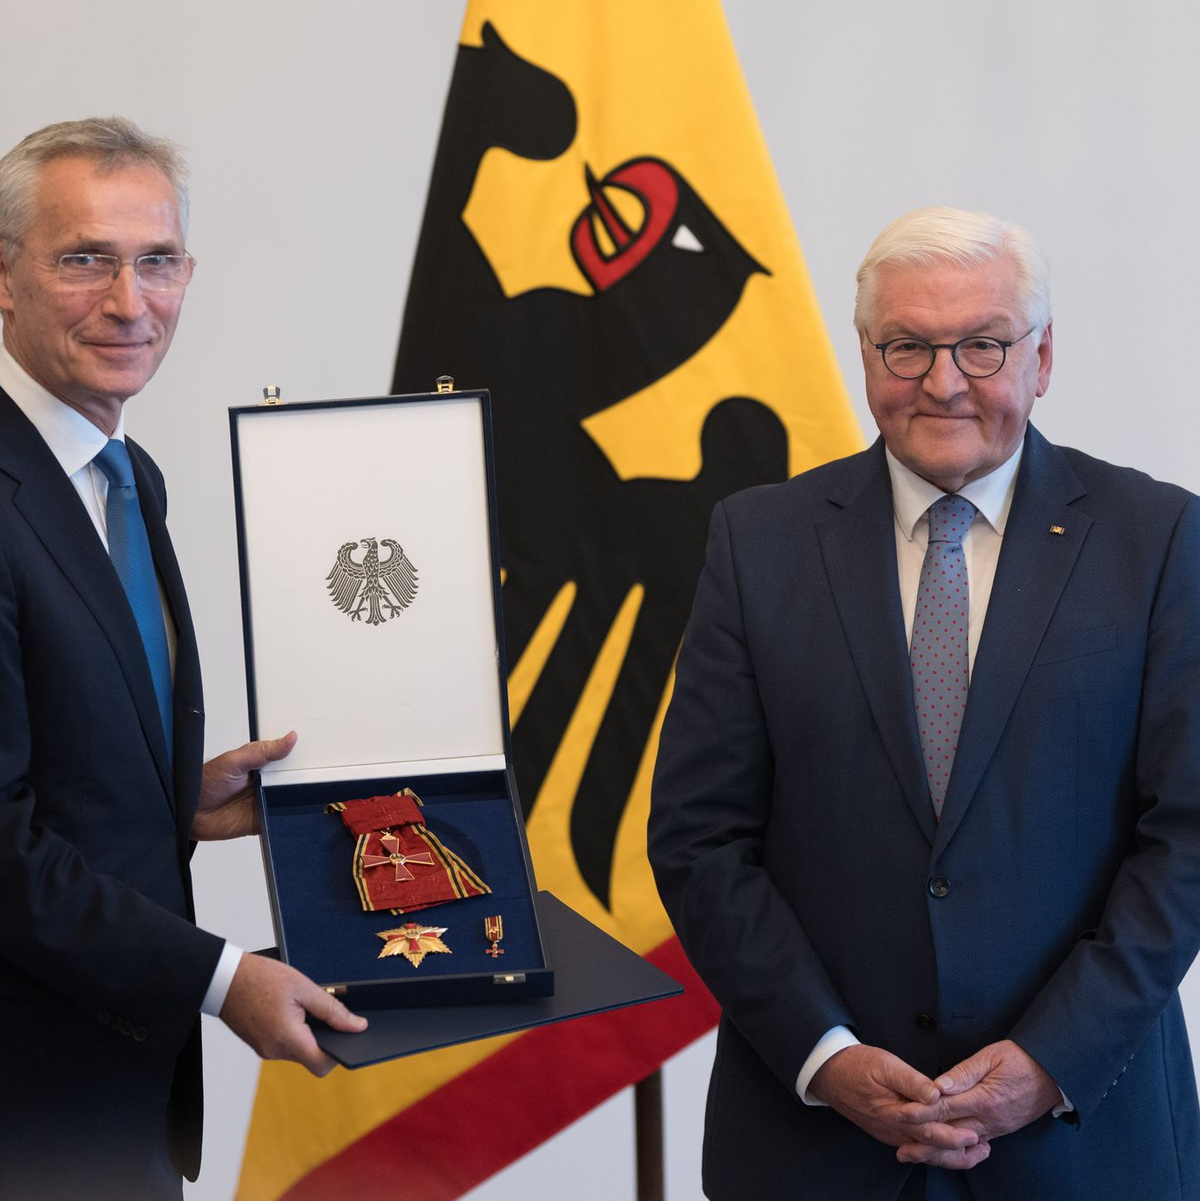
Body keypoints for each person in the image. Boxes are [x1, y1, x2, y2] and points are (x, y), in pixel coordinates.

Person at [649, 206, 1200, 1200]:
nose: (943, 381)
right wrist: (823, 1054)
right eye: (906, 345)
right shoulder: (757, 544)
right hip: (813, 1143)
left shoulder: (1157, 541)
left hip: (1087, 1142)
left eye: (982, 344)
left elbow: (1189, 837)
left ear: (1041, 359)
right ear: (867, 354)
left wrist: (1049, 1061)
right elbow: (699, 837)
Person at [0, 117, 367, 1199]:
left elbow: (60, 740)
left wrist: (172, 792)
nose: (130, 302)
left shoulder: (124, 472)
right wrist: (222, 979)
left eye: (157, 261)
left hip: (114, 1092)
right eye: (85, 260)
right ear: (4, 278)